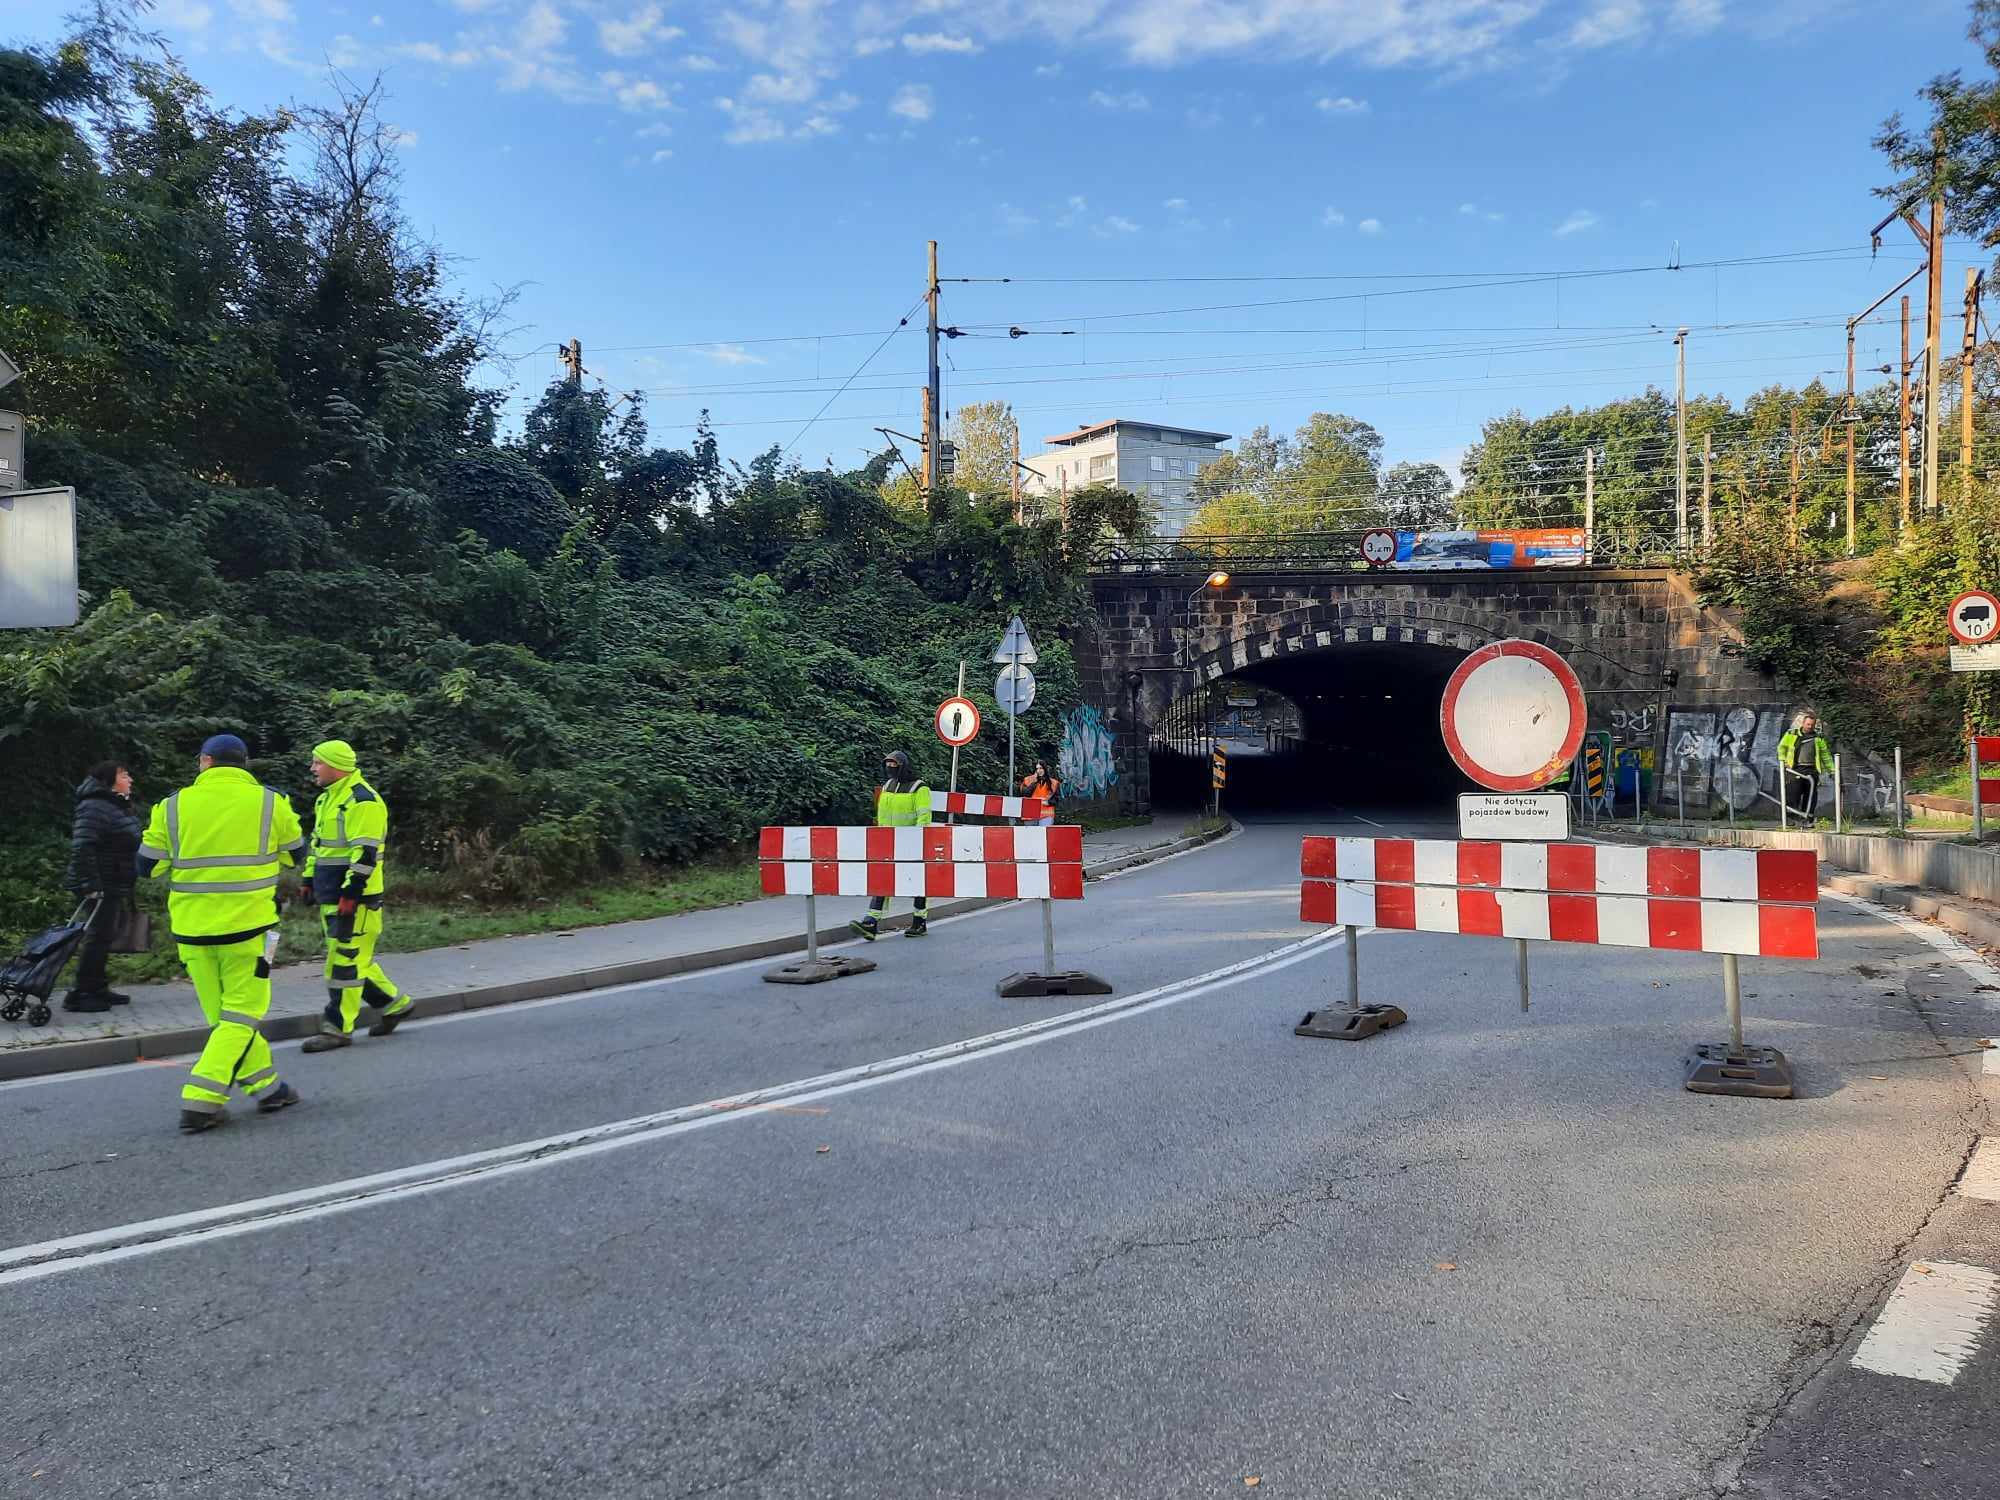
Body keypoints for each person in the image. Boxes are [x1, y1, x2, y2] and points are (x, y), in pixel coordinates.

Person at [137, 734, 303, 1133]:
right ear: (244, 764)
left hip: (192, 932)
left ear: (205, 762)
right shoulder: (270, 802)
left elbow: (147, 867)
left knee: (224, 1017)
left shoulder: (172, 805)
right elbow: (296, 854)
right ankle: (201, 1099)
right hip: (250, 930)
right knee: (243, 1015)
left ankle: (269, 1089)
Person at [300, 739, 413, 1052]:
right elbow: (318, 845)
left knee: (345, 964)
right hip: (331, 893)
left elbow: (365, 854)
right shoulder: (327, 800)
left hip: (355, 899)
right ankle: (395, 1005)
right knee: (352, 957)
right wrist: (309, 878)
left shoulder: (363, 801)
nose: (313, 768)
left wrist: (351, 893)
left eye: (317, 762)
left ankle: (337, 1029)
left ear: (335, 765)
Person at [62, 760, 142, 1013]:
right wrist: (90, 884)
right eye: (125, 774)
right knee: (98, 936)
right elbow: (83, 845)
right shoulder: (95, 806)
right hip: (99, 883)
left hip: (112, 879)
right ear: (110, 779)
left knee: (105, 935)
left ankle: (97, 987)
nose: (130, 779)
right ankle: (81, 993)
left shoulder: (113, 805)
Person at [850, 749, 932, 941]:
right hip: (887, 843)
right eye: (887, 764)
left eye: (894, 765)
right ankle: (871, 922)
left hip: (911, 844)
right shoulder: (887, 786)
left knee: (916, 883)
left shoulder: (919, 788)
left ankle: (919, 921)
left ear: (903, 766)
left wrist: (917, 840)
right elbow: (882, 815)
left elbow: (924, 816)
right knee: (882, 880)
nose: (890, 768)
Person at [1775, 711, 1834, 825]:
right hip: (1795, 768)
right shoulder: (1792, 734)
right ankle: (1791, 816)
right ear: (1803, 723)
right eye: (1808, 724)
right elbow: (1781, 747)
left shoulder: (1818, 738)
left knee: (1811, 795)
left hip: (1811, 769)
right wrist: (1783, 761)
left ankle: (1808, 819)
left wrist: (1832, 770)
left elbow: (1825, 756)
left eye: (1812, 725)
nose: (1810, 727)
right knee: (1793, 792)